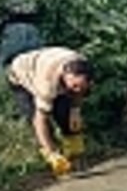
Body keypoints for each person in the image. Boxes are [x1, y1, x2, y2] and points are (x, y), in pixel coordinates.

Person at [7, 47, 91, 176]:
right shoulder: (46, 84)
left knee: (65, 115)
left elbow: (77, 93)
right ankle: (56, 159)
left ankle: (73, 156)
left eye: (81, 86)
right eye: (74, 86)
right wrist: (52, 154)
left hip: (47, 63)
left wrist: (75, 112)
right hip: (21, 76)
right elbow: (40, 120)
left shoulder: (82, 66)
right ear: (66, 75)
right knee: (39, 120)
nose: (78, 89)